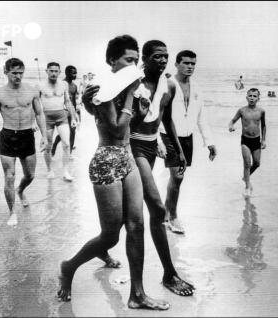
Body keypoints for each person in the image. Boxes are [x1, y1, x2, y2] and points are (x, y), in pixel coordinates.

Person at [58, 35, 169, 310]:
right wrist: (132, 93)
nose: (135, 66)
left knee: (137, 224)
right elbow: (118, 130)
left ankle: (137, 294)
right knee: (110, 235)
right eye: (129, 60)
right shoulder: (102, 89)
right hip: (106, 160)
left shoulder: (129, 86)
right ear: (112, 61)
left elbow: (134, 124)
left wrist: (141, 106)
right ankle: (68, 267)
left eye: (135, 60)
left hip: (127, 157)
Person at [83, 40, 195, 297]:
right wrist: (87, 102)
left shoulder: (168, 85)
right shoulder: (132, 82)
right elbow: (104, 114)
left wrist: (176, 148)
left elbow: (165, 119)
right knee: (156, 208)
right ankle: (169, 274)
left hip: (151, 146)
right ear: (145, 59)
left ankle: (104, 247)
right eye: (157, 56)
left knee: (126, 219)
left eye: (166, 56)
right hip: (132, 149)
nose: (163, 60)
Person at [158, 50, 217, 234]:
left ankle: (166, 213)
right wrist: (157, 140)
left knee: (177, 178)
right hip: (167, 135)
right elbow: (157, 114)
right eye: (186, 63)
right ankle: (173, 217)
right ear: (176, 64)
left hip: (187, 137)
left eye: (193, 63)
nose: (190, 66)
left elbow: (202, 118)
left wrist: (210, 142)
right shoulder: (167, 85)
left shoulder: (197, 88)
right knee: (178, 176)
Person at [0, 58, 47, 226]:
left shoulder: (31, 91)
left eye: (21, 73)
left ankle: (20, 191)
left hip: (27, 136)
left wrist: (44, 136)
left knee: (30, 175)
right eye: (14, 73)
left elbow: (40, 114)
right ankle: (12, 212)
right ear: (5, 72)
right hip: (7, 136)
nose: (18, 76)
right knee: (9, 177)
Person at [36, 62, 79, 181]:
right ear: (47, 71)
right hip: (46, 117)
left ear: (59, 72)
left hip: (61, 116)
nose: (54, 73)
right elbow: (36, 105)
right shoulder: (40, 85)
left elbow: (67, 102)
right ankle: (49, 170)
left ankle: (65, 171)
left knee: (66, 144)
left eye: (56, 71)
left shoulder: (64, 84)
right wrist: (34, 121)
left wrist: (73, 118)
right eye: (51, 71)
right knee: (48, 146)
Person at [228, 88, 266, 197]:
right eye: (250, 96)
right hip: (245, 140)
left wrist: (263, 140)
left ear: (258, 98)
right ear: (246, 97)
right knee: (247, 163)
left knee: (257, 163)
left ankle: (246, 177)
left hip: (256, 140)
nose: (252, 98)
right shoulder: (242, 110)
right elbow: (232, 121)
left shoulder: (261, 111)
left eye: (254, 96)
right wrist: (231, 127)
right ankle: (247, 187)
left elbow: (263, 126)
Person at [51, 66, 79, 159]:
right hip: (62, 112)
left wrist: (74, 115)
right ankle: (54, 146)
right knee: (64, 133)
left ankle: (70, 153)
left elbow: (74, 101)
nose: (75, 75)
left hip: (71, 112)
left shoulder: (74, 86)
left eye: (76, 73)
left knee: (73, 132)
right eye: (73, 73)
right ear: (67, 73)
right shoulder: (60, 84)